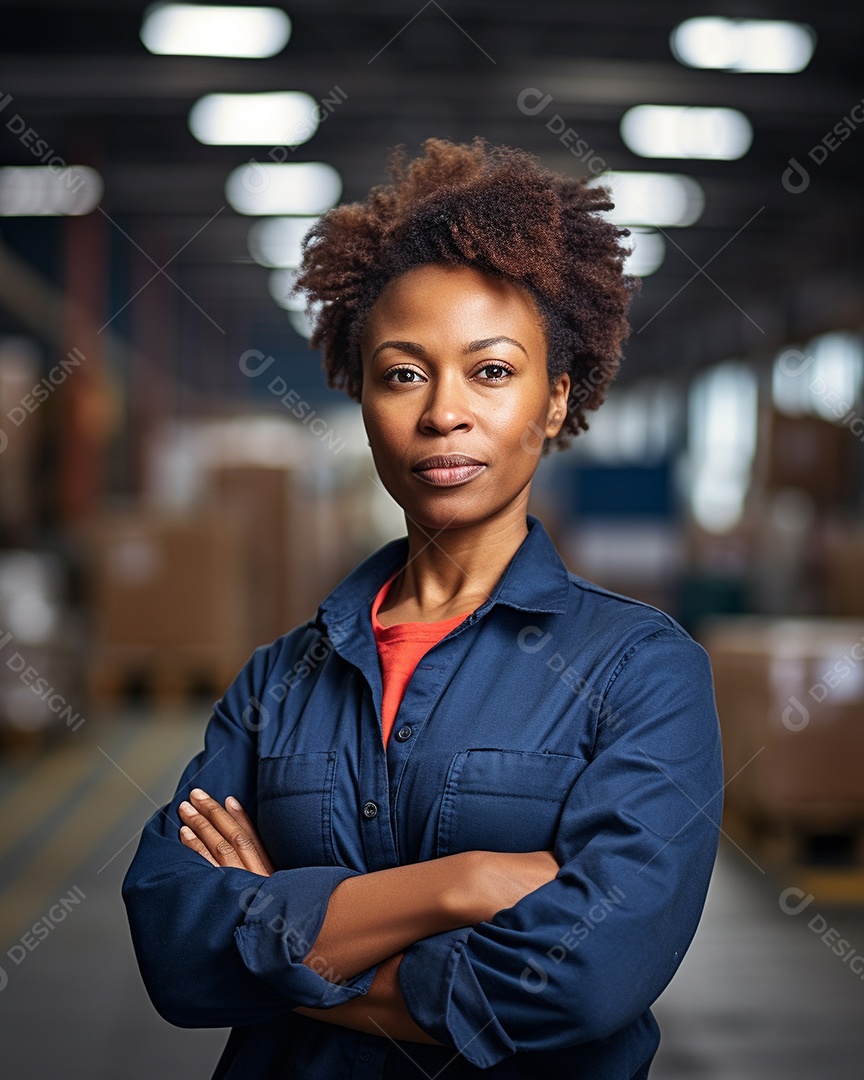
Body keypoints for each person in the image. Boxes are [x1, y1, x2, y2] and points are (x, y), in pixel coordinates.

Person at [122, 137, 723, 1079]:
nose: (444, 412)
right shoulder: (279, 680)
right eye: (403, 373)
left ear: (557, 399)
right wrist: (462, 886)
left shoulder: (642, 673)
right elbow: (173, 942)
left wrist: (283, 932)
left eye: (491, 371)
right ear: (361, 396)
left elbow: (583, 980)